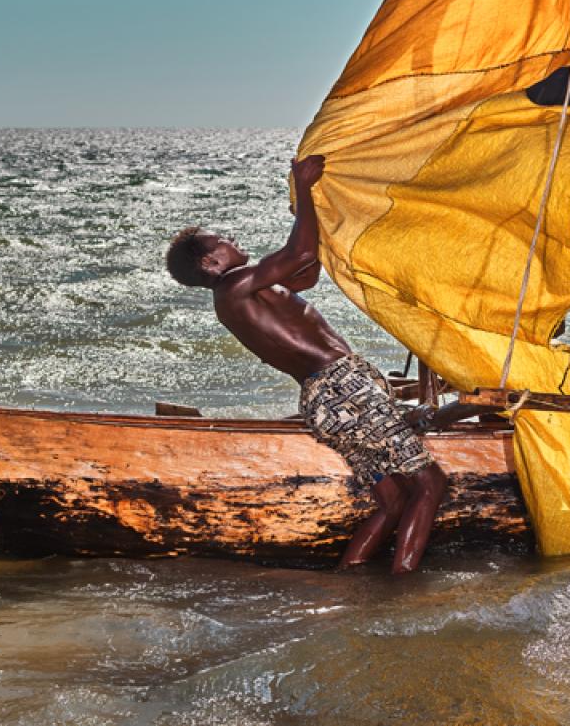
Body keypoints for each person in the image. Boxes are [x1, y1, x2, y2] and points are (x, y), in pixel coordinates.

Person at [163, 155, 448, 573]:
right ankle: (403, 592)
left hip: (324, 402)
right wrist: (304, 184)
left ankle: (349, 581)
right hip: (345, 389)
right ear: (211, 263)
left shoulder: (241, 294)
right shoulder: (236, 284)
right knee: (429, 485)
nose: (232, 238)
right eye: (222, 238)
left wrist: (311, 208)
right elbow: (298, 253)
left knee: (393, 501)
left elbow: (306, 272)